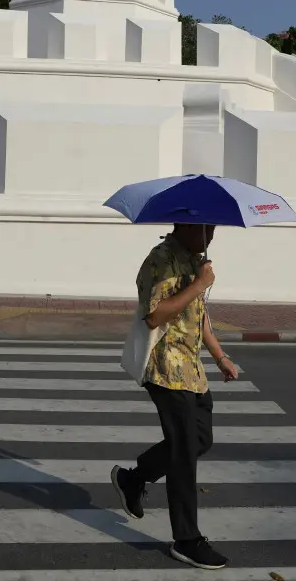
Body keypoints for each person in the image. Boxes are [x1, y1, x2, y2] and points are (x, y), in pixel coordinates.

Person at [110, 223, 240, 570]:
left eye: (212, 229)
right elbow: (154, 316)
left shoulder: (194, 260)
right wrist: (198, 284)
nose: (209, 235)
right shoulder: (161, 260)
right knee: (184, 452)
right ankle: (187, 539)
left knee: (200, 439)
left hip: (191, 368)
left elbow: (200, 316)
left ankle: (133, 479)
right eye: (204, 228)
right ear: (183, 225)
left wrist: (220, 356)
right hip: (165, 368)